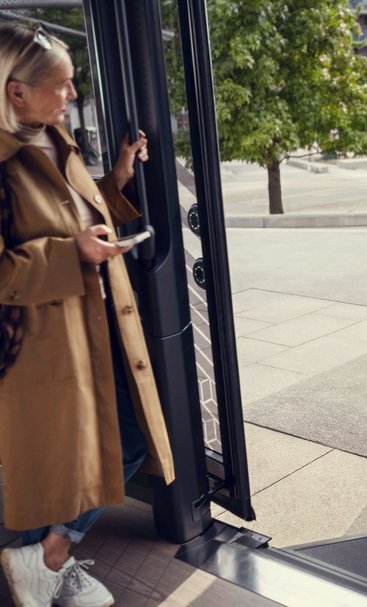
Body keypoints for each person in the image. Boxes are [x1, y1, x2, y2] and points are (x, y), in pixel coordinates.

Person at [0, 21, 175, 607]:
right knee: (65, 456)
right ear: (15, 89)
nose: (72, 95)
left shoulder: (55, 138)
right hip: (40, 345)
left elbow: (66, 212)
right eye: (61, 85)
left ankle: (43, 556)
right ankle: (44, 559)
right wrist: (70, 254)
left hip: (90, 331)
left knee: (117, 444)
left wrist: (118, 180)